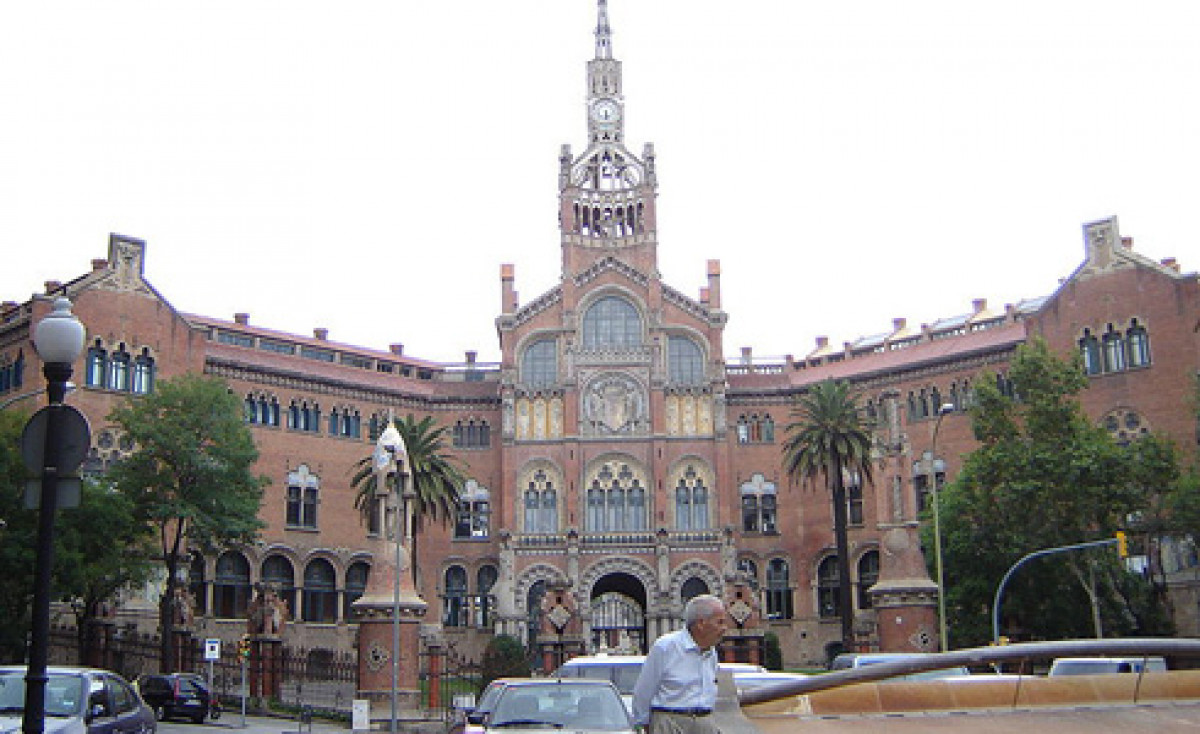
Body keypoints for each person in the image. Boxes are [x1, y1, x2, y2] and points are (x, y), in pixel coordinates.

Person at [632, 594, 730, 734]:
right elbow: (644, 691)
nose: (724, 628)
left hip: (704, 722)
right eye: (719, 622)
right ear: (701, 623)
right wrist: (643, 724)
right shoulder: (666, 647)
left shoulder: (711, 653)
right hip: (670, 723)